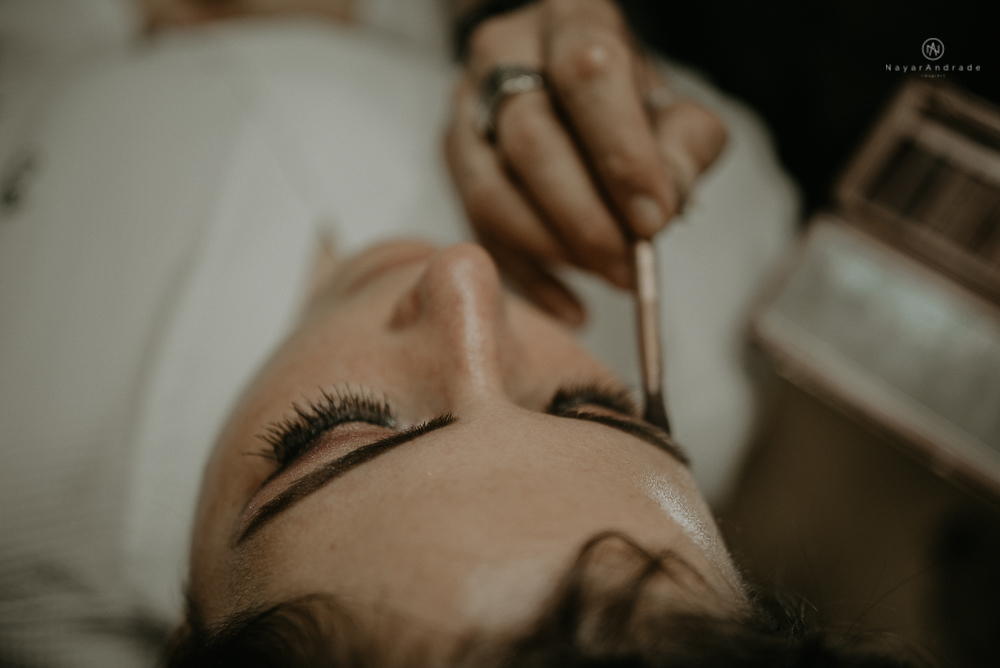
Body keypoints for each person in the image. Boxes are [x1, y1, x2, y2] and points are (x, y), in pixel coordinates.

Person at [0, 0, 799, 664]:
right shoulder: (718, 278)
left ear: (189, 632)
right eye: (592, 406)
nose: (463, 280)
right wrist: (534, 48)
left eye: (339, 431)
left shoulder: (28, 444)